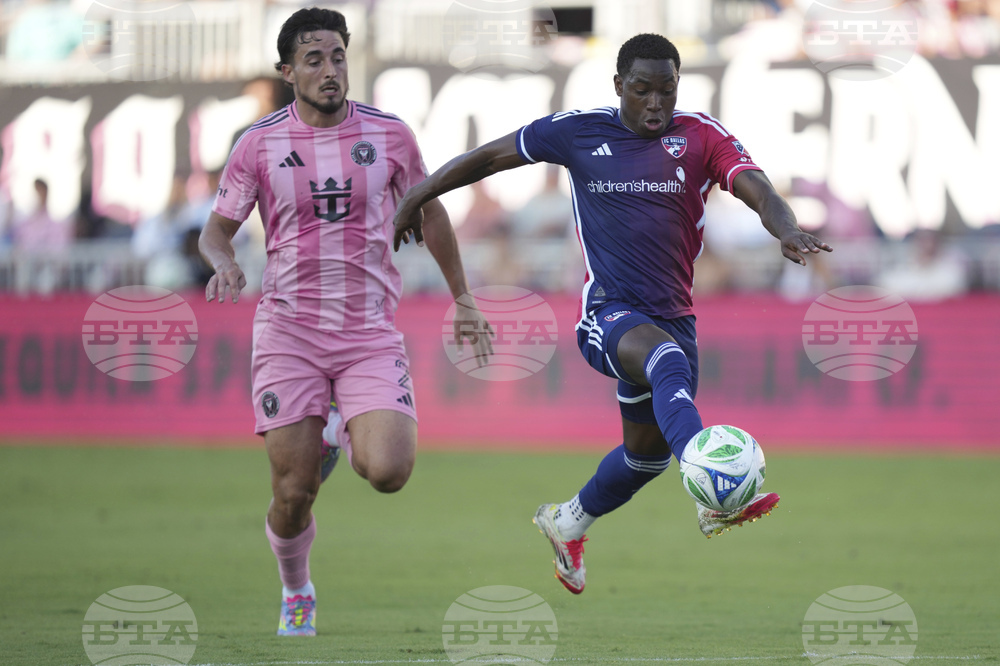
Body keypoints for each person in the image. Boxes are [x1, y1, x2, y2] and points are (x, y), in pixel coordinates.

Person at [394, 33, 832, 595]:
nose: (656, 103)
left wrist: (787, 228)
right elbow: (488, 159)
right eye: (642, 89)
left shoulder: (701, 136)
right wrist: (417, 195)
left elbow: (760, 190)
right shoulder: (577, 132)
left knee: (644, 459)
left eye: (667, 90)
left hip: (674, 316)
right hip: (607, 313)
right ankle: (712, 489)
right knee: (666, 361)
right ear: (619, 85)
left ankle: (568, 521)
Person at [198, 7, 492, 636]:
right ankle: (296, 589)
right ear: (287, 72)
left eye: (337, 57)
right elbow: (214, 232)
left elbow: (431, 213)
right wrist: (223, 263)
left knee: (389, 472)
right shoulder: (258, 143)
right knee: (293, 493)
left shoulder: (389, 135)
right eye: (314, 59)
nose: (330, 70)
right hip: (289, 333)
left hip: (367, 332)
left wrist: (463, 298)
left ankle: (337, 429)